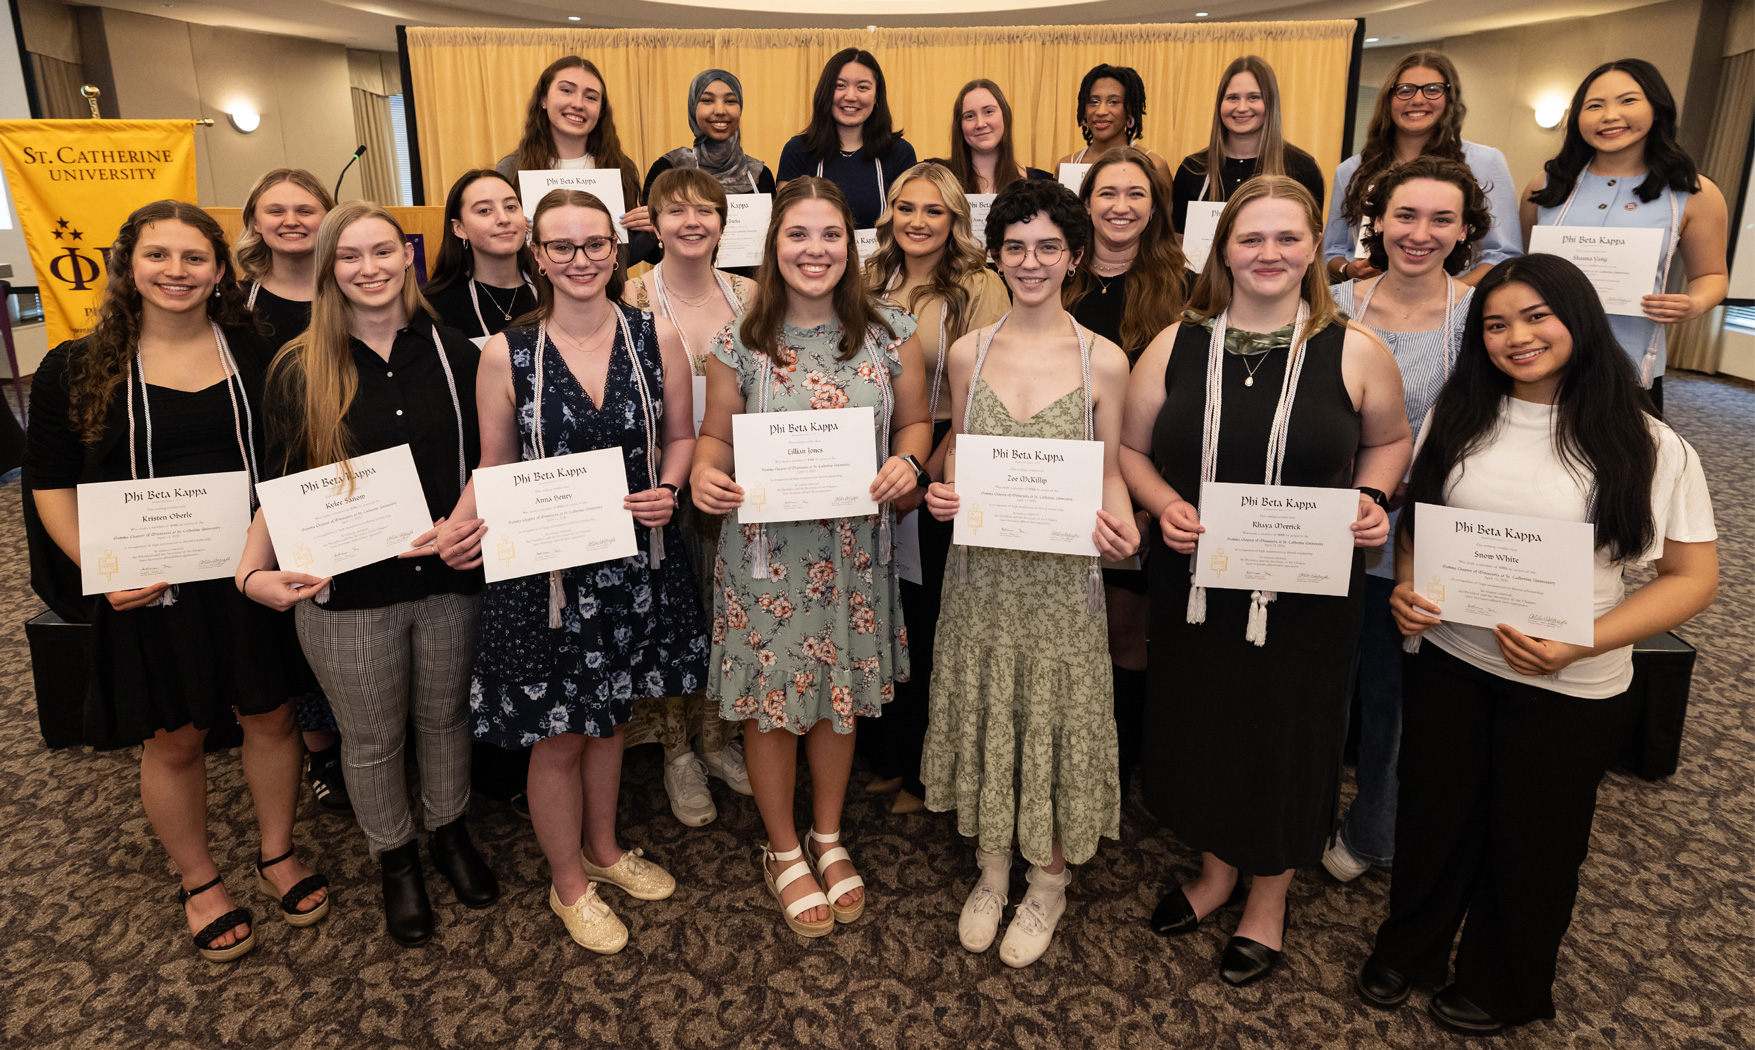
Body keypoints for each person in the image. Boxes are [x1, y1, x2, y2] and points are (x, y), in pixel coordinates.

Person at [1356, 254, 1717, 1034]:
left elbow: (1691, 579)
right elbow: (1420, 525)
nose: (1515, 337)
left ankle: (1505, 981)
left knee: (1534, 839)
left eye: (1534, 317)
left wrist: (1579, 642)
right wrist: (1410, 588)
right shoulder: (1457, 416)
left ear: (1577, 320)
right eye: (1494, 324)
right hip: (1452, 660)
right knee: (1432, 815)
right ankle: (1409, 948)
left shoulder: (1649, 445)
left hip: (1570, 682)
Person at [1120, 176, 1411, 985]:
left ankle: (1269, 895)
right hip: (1199, 580)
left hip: (1309, 593)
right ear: (1224, 251)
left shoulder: (1352, 348)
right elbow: (1133, 452)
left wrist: (1371, 496)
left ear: (1313, 248)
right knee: (1206, 723)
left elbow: (1389, 441)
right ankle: (1215, 872)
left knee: (1287, 735)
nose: (1269, 253)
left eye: (1287, 238)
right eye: (1251, 239)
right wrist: (1164, 505)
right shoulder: (1176, 343)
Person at [24, 201, 329, 963]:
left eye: (194, 258)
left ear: (221, 269)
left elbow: (297, 455)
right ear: (128, 264)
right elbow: (50, 482)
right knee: (175, 740)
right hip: (148, 585)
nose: (176, 272)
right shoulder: (77, 364)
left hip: (248, 570)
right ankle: (199, 879)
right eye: (157, 256)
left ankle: (276, 850)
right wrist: (104, 569)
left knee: (271, 717)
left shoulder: (260, 352)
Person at [432, 189, 707, 953]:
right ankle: (568, 884)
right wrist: (455, 528)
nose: (579, 260)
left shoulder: (658, 339)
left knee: (611, 718)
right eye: (561, 247)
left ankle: (604, 849)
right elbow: (493, 466)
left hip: (629, 566)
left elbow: (680, 436)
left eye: (593, 245)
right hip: (547, 578)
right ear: (538, 256)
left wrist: (670, 488)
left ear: (616, 252)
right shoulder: (505, 353)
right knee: (557, 735)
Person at [242, 201, 498, 948]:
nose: (369, 268)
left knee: (445, 718)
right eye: (349, 257)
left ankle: (449, 833)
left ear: (407, 257)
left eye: (383, 251)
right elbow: (278, 481)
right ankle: (396, 859)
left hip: (447, 578)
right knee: (371, 737)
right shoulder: (297, 366)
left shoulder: (457, 354)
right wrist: (248, 570)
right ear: (330, 271)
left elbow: (490, 458)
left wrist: (462, 522)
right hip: (346, 593)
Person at [690, 177, 930, 937]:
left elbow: (917, 425)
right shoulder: (739, 339)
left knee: (836, 698)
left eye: (830, 235)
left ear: (850, 246)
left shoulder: (893, 331)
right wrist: (703, 472)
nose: (814, 250)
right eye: (798, 235)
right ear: (773, 246)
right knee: (772, 707)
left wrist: (910, 467)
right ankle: (784, 847)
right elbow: (714, 437)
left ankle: (827, 835)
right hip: (766, 559)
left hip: (852, 555)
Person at [920, 177, 1139, 968]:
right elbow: (955, 454)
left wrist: (1120, 523)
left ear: (1074, 256)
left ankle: (1046, 881)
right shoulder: (967, 350)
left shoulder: (1105, 360)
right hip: (981, 578)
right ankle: (991, 868)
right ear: (997, 254)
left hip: (1059, 584)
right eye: (1016, 247)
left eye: (1048, 247)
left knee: (1050, 716)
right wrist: (941, 491)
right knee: (987, 707)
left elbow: (1110, 471)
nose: (1031, 261)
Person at [1322, 156, 1487, 884]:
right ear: (1378, 222)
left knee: (1393, 695)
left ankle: (1373, 829)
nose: (1419, 234)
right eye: (1405, 216)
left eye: (1440, 219)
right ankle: (1294, 811)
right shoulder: (1332, 305)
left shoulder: (1482, 315)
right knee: (1323, 687)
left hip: (1427, 535)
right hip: (1327, 525)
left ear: (1463, 230)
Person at [861, 162, 1010, 815]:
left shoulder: (977, 286)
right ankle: (888, 752)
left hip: (942, 460)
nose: (917, 221)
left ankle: (928, 767)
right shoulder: (866, 278)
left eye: (934, 210)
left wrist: (930, 467)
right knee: (879, 607)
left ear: (955, 219)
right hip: (868, 457)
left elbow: (984, 392)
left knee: (928, 619)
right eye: (906, 207)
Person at [621, 166, 756, 827]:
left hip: (735, 481)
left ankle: (717, 736)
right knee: (671, 618)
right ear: (653, 222)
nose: (691, 221)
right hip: (658, 486)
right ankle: (677, 750)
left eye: (704, 210)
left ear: (722, 223)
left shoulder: (751, 297)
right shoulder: (629, 293)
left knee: (725, 611)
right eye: (675, 211)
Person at [1065, 146, 1188, 786]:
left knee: (1124, 634)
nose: (1120, 206)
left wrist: (1144, 497)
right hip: (1054, 491)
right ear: (1086, 205)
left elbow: (1185, 407)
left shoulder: (1184, 291)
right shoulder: (1057, 278)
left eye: (1136, 194)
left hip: (1136, 494)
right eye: (1107, 193)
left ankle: (1121, 763)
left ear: (1155, 207)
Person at [234, 168, 350, 814]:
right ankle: (323, 750)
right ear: (254, 221)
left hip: (354, 479)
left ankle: (369, 739)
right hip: (275, 477)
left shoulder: (352, 285)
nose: (291, 220)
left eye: (305, 208)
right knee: (298, 623)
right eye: (274, 209)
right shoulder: (236, 308)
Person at [1520, 59, 1728, 414]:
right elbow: (1522, 266)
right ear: (1578, 118)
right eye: (1594, 106)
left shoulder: (1692, 192)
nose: (1610, 115)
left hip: (1630, 364)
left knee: (1622, 465)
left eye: (1628, 101)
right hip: (1540, 360)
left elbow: (1711, 276)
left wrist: (1692, 304)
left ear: (1657, 109)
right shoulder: (1546, 185)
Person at [1325, 51, 1519, 285]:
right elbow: (1332, 250)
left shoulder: (1486, 162)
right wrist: (1348, 270)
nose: (1417, 100)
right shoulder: (1351, 170)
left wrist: (1451, 296)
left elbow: (1503, 254)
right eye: (1405, 90)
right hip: (1365, 301)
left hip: (1453, 306)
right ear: (1388, 99)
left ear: (1450, 98)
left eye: (1432, 89)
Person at [495, 56, 647, 263]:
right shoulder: (510, 168)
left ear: (601, 110)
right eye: (566, 90)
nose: (578, 104)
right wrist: (506, 231)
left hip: (604, 290)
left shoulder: (621, 167)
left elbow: (624, 252)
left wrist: (652, 229)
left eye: (591, 97)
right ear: (544, 99)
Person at [623, 68, 776, 273]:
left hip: (750, 295)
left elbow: (772, 248)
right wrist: (652, 232)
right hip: (685, 291)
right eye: (707, 100)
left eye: (730, 101)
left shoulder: (759, 175)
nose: (720, 110)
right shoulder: (669, 168)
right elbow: (652, 255)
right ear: (693, 107)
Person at [1171, 56, 1325, 239]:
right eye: (1232, 98)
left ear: (1271, 103)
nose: (1242, 107)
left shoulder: (1302, 168)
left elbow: (1311, 239)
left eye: (1253, 97)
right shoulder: (1193, 168)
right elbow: (1178, 240)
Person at [776, 49, 919, 230]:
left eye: (863, 87)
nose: (850, 96)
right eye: (840, 86)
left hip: (882, 258)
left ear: (876, 97)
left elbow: (910, 219)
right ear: (825, 93)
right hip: (817, 256)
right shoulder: (797, 151)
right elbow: (786, 223)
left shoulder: (900, 152)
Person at [423, 169, 539, 345]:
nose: (503, 218)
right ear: (459, 228)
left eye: (510, 207)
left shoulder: (554, 289)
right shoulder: (435, 307)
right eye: (485, 210)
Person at [931, 79, 1054, 195]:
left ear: (1005, 116)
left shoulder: (1042, 185)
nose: (980, 124)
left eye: (988, 112)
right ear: (959, 125)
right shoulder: (934, 177)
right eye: (969, 116)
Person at [1055, 65, 1173, 182]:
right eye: (1094, 102)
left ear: (1130, 111)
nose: (1101, 111)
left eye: (1113, 102)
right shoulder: (1066, 165)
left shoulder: (1154, 165)